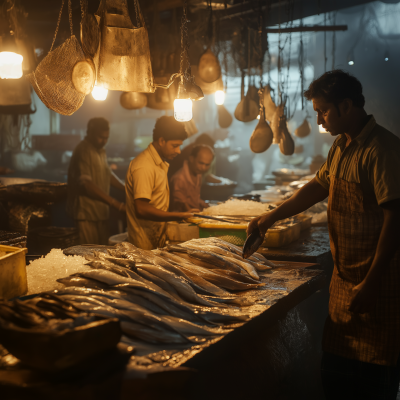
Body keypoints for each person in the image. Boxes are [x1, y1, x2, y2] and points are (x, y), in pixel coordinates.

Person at [247, 70, 400, 400]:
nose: (319, 119)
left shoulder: (382, 150)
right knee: (337, 379)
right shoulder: (341, 147)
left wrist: (372, 281)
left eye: (323, 111)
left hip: (379, 284)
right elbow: (319, 186)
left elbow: (396, 219)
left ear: (346, 106)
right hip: (345, 283)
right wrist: (272, 216)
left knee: (374, 382)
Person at [125, 116, 193, 250]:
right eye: (175, 146)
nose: (178, 151)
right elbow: (142, 209)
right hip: (143, 247)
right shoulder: (144, 166)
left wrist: (185, 213)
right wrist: (178, 216)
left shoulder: (158, 162)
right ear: (161, 140)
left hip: (155, 243)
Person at [67, 117, 126, 245]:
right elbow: (87, 184)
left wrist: (126, 189)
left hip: (101, 213)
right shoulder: (83, 150)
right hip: (86, 215)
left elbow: (107, 174)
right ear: (90, 132)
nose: (104, 141)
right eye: (101, 137)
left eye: (106, 138)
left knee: (102, 254)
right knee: (88, 256)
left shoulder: (100, 150)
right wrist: (116, 204)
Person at [170, 144, 214, 212]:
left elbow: (193, 199)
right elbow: (183, 204)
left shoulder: (198, 172)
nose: (203, 168)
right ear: (191, 159)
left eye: (207, 164)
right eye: (201, 163)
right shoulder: (179, 179)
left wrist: (203, 203)